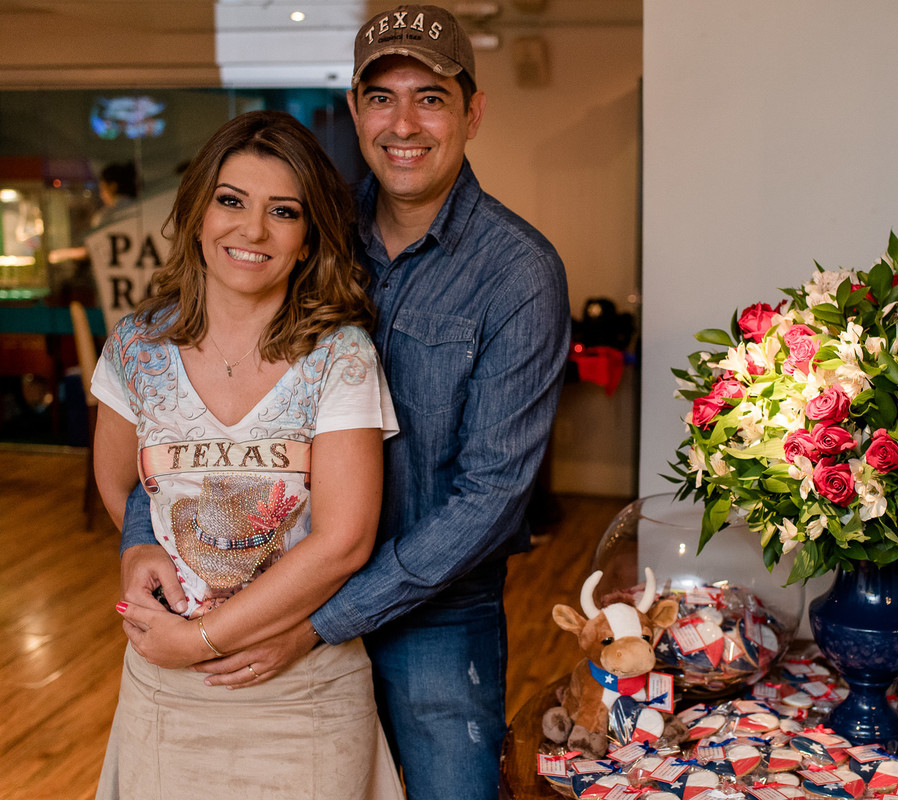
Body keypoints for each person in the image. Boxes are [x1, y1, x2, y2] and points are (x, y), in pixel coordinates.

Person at [119, 5, 572, 798]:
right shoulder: (306, 230)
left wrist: (322, 621)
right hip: (275, 592)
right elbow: (186, 419)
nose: (404, 124)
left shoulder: (518, 273)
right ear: (356, 110)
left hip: (433, 619)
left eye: (430, 98)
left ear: (473, 112)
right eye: (381, 97)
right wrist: (138, 542)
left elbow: (493, 497)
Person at [92, 110, 404, 799]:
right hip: (166, 692)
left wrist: (202, 639)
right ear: (197, 213)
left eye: (283, 211)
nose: (253, 230)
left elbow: (345, 541)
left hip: (301, 692)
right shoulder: (136, 348)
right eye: (231, 201)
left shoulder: (339, 356)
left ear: (308, 238)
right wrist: (137, 548)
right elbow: (120, 485)